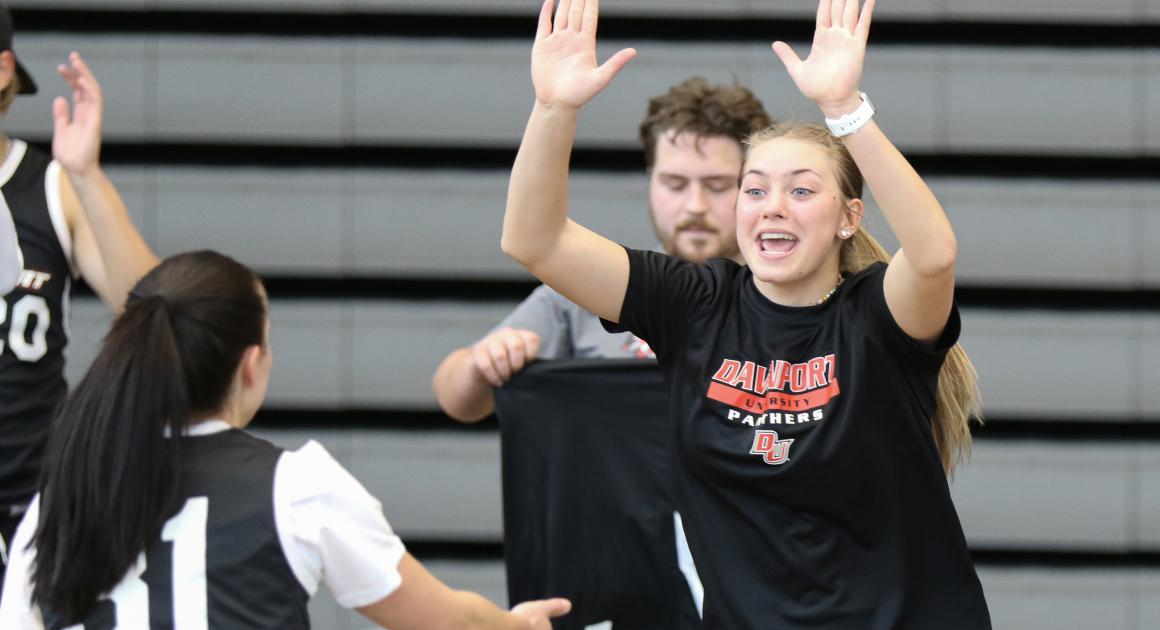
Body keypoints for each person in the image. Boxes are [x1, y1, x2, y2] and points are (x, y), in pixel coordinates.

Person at [500, 0, 990, 627]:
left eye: (802, 190)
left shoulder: (876, 317)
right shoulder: (693, 303)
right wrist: (553, 108)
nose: (772, 206)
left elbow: (933, 253)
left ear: (848, 218)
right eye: (755, 189)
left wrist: (845, 109)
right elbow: (534, 241)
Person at [0, 250, 571, 629]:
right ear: (252, 364)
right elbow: (446, 621)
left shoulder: (61, 499)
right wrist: (517, 624)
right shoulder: (295, 485)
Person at [432, 77, 770, 421]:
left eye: (717, 185)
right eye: (675, 184)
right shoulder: (590, 286)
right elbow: (456, 398)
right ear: (651, 179)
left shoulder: (793, 296)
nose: (695, 205)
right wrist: (482, 363)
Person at [0, 9, 160, 591]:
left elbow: (153, 308)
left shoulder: (49, 186)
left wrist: (88, 177)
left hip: (31, 510)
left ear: (2, 71)